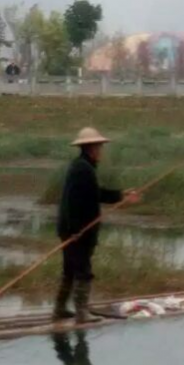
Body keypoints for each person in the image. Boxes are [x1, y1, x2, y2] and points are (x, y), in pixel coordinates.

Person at [55, 127, 141, 323]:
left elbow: (94, 194)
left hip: (72, 229)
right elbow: (74, 203)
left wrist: (121, 195)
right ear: (91, 148)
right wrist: (75, 231)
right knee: (82, 270)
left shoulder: (82, 166)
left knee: (70, 269)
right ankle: (81, 313)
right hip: (77, 231)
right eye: (99, 147)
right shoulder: (82, 169)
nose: (101, 150)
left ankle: (59, 309)